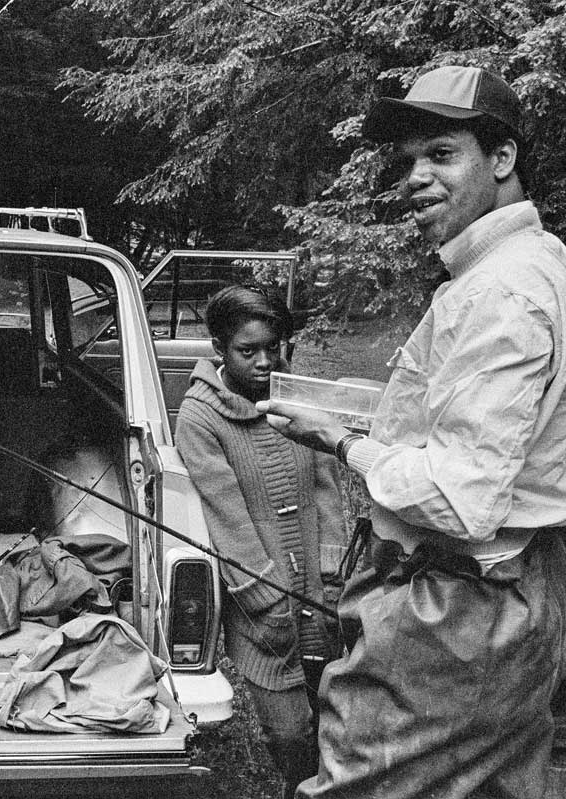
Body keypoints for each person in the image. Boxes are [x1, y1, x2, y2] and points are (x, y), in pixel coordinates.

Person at [257, 66, 566, 798]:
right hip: (511, 599)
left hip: (456, 607)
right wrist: (368, 409)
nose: (416, 178)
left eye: (441, 153)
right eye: (409, 161)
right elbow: (480, 427)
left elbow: (462, 500)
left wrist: (341, 441)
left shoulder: (499, 293)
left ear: (502, 158)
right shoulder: (536, 263)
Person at [174, 285, 344, 799]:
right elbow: (225, 516)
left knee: (334, 709)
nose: (266, 362)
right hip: (261, 602)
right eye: (249, 352)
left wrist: (334, 571)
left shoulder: (296, 401)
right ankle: (301, 785)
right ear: (219, 349)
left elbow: (327, 488)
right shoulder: (200, 418)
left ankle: (335, 782)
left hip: (320, 588)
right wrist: (266, 597)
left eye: (276, 347)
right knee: (288, 728)